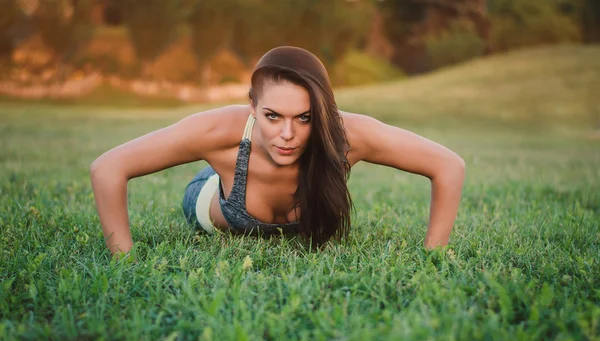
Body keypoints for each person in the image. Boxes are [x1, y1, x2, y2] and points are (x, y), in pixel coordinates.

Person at [91, 46, 465, 256]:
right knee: (214, 176)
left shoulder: (349, 134)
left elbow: (448, 165)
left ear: (322, 111)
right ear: (253, 107)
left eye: (304, 118)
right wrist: (124, 259)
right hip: (214, 190)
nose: (288, 134)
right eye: (272, 116)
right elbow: (108, 168)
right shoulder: (217, 130)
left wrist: (434, 255)